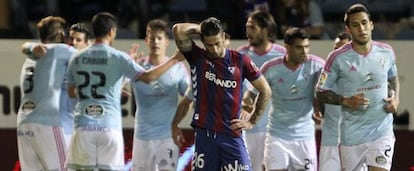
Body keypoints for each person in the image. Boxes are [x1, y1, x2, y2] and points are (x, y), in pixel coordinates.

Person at [65, 12, 184, 171]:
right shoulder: (118, 57)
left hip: (83, 126)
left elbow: (72, 92)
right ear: (112, 31)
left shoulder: (76, 58)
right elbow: (149, 77)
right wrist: (175, 59)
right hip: (109, 127)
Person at [172, 17, 272, 171]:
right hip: (205, 136)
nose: (214, 49)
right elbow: (178, 30)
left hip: (232, 135)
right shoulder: (198, 57)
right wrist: (202, 28)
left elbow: (265, 90)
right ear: (203, 42)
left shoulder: (240, 60)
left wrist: (252, 121)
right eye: (209, 45)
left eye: (217, 43)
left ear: (224, 37)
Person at [316, 3, 400, 171]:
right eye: (355, 25)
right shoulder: (337, 58)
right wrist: (346, 101)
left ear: (371, 24)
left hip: (381, 132)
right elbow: (320, 91)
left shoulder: (386, 52)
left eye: (364, 23)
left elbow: (392, 78)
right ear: (348, 29)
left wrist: (396, 98)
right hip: (351, 136)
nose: (361, 28)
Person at [244, 27, 325, 171]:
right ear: (287, 47)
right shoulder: (271, 68)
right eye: (299, 47)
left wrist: (319, 108)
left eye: (307, 47)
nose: (304, 51)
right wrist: (247, 103)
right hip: (277, 136)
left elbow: (323, 90)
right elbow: (251, 93)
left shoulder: (317, 65)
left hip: (305, 137)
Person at [129, 19, 190, 171]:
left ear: (167, 41)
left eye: (160, 38)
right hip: (142, 136)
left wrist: (176, 123)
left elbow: (189, 97)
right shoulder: (137, 66)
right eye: (152, 38)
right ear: (146, 40)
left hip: (167, 136)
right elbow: (148, 77)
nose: (155, 42)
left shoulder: (179, 68)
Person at [17, 16, 77, 171]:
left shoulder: (31, 54)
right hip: (47, 122)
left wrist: (29, 46)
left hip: (24, 123)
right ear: (60, 34)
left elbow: (24, 46)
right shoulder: (61, 50)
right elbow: (86, 58)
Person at [237, 10, 286, 171]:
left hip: (275, 129)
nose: (248, 31)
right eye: (247, 27)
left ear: (265, 30)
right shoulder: (240, 55)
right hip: (248, 130)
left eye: (253, 27)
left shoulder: (282, 55)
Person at [318, 31, 351, 171]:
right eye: (335, 49)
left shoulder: (360, 75)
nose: (337, 53)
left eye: (342, 49)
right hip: (330, 142)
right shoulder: (325, 73)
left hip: (353, 142)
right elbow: (319, 93)